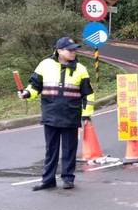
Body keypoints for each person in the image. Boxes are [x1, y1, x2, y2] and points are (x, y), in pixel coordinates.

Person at [19, 37, 95, 190]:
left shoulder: (81, 69)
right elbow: (35, 86)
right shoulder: (45, 65)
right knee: (51, 149)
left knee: (69, 149)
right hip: (51, 114)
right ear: (59, 50)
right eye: (70, 49)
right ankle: (48, 180)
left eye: (75, 49)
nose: (74, 52)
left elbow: (88, 94)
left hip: (71, 115)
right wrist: (27, 93)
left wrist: (86, 115)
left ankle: (68, 178)